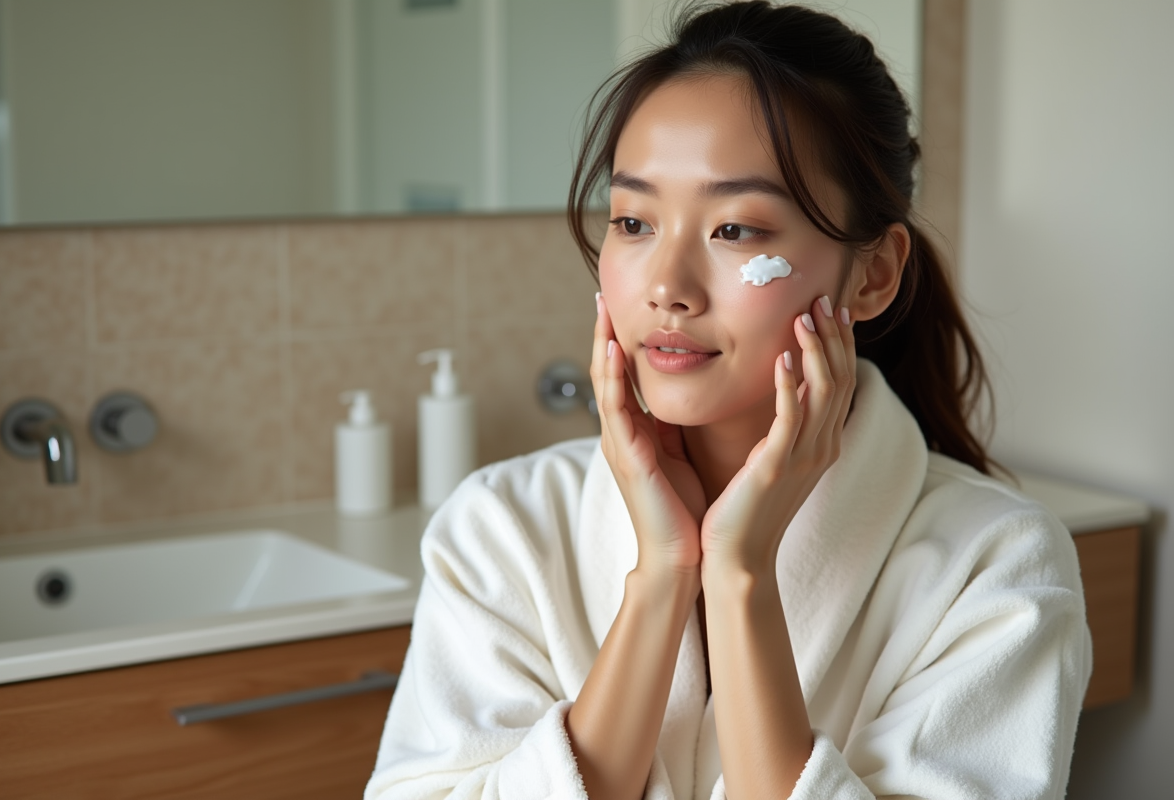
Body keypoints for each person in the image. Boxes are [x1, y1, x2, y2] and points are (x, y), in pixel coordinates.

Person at [366, 3, 1090, 798]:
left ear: (875, 273)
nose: (667, 288)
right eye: (634, 220)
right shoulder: (500, 528)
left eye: (738, 230)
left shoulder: (997, 565)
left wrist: (741, 575)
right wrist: (660, 577)